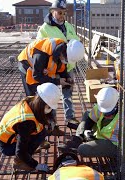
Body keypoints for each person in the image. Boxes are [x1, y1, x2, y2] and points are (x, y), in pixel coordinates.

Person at [17, 38, 84, 135]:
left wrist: (67, 78)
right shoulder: (43, 52)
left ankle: (51, 127)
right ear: (63, 52)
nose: (65, 61)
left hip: (40, 71)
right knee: (35, 101)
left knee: (48, 97)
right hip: (28, 69)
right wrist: (57, 81)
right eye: (66, 59)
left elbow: (62, 69)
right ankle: (36, 132)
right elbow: (36, 76)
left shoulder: (61, 52)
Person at [58, 87, 125, 163]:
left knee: (83, 149)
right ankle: (77, 139)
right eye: (105, 113)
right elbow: (90, 118)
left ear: (117, 104)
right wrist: (87, 130)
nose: (106, 115)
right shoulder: (104, 104)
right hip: (102, 135)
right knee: (88, 113)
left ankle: (78, 146)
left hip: (115, 145)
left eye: (109, 113)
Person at [0, 83, 61, 172]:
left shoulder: (31, 100)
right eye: (49, 107)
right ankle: (19, 162)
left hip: (10, 135)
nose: (50, 110)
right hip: (6, 145)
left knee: (42, 131)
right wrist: (36, 165)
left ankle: (29, 151)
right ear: (42, 104)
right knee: (36, 138)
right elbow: (20, 151)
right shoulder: (26, 122)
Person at [37, 0, 81, 129]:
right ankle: (53, 121)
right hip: (53, 67)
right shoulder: (45, 28)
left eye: (63, 13)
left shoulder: (68, 26)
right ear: (52, 12)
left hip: (68, 65)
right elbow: (40, 48)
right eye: (59, 12)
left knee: (68, 92)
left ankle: (70, 117)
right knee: (52, 94)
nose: (62, 15)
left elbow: (77, 40)